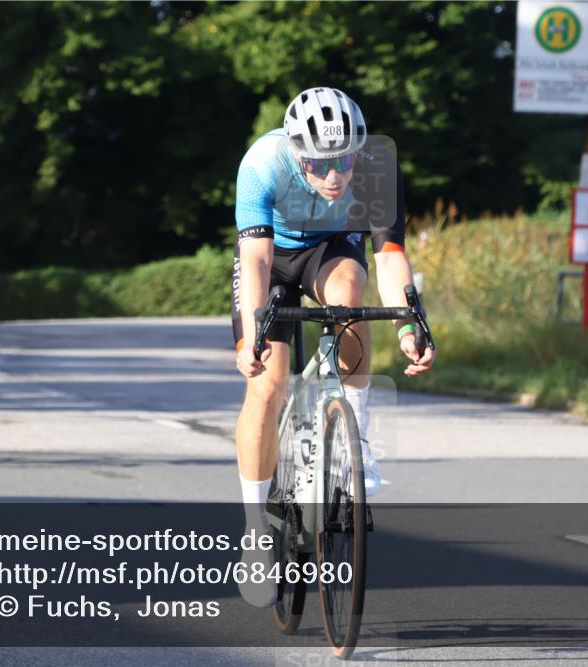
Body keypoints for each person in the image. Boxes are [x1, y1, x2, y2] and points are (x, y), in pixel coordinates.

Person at [231, 87, 435, 606]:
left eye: (343, 160)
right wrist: (254, 334)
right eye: (319, 165)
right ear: (297, 153)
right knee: (268, 384)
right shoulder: (262, 162)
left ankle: (354, 433)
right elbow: (253, 259)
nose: (334, 176)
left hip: (331, 248)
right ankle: (256, 530)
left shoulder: (377, 166)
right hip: (273, 258)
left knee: (348, 296)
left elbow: (389, 256)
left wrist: (409, 327)